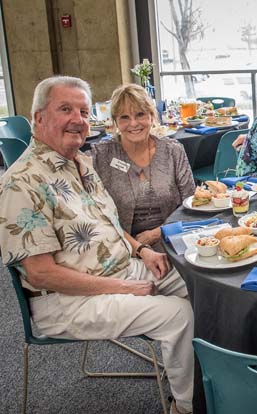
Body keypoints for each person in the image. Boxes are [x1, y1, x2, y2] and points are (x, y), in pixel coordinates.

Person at [0, 76, 194, 414]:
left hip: (123, 267)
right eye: (65, 109)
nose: (78, 119)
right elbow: (43, 275)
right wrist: (124, 288)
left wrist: (141, 249)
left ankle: (194, 372)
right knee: (178, 315)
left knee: (198, 281)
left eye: (84, 111)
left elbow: (113, 225)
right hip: (65, 300)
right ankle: (187, 406)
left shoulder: (82, 164)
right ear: (39, 117)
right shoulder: (21, 183)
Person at [90, 83, 195, 251]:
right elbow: (96, 213)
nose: (133, 123)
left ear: (152, 116)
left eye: (140, 114)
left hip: (170, 238)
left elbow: (190, 205)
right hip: (119, 244)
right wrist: (137, 247)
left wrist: (157, 233)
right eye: (124, 117)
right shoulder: (101, 156)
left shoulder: (173, 150)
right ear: (115, 121)